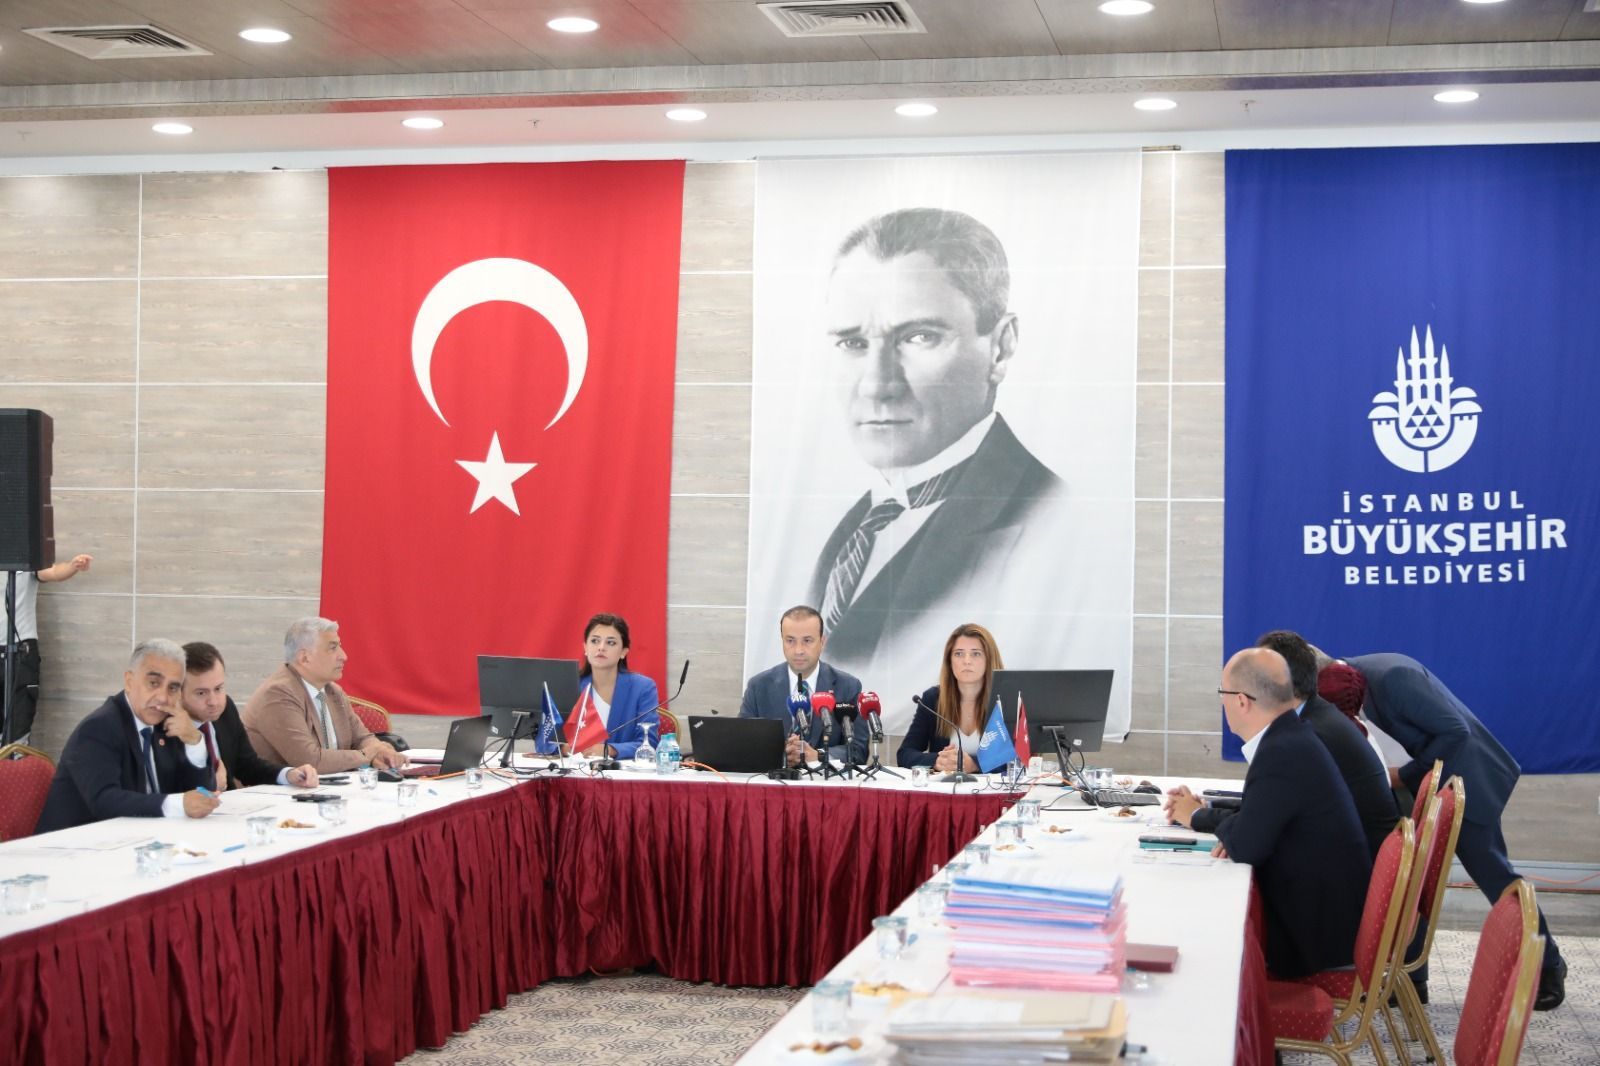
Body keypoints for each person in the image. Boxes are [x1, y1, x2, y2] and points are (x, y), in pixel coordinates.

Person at [802, 208, 1086, 703]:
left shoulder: (1057, 528)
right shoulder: (857, 526)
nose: (876, 385)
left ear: (1000, 348)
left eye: (919, 337)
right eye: (852, 342)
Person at [1317, 652, 1568, 1011]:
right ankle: (1412, 979)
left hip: (1467, 781)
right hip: (1428, 784)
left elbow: (1455, 731)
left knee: (1496, 878)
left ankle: (1548, 965)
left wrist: (1402, 776)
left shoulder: (1392, 677)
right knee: (1415, 880)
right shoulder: (1352, 680)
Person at [1166, 647, 1370, 979]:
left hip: (1315, 940)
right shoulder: (1292, 736)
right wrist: (1207, 814)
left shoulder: (1282, 751)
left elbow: (1247, 845)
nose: (1222, 703)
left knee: (1204, 946)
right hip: (1330, 919)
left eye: (1222, 693)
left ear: (1241, 701)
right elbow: (1261, 815)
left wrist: (1205, 819)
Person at [34, 638, 220, 833]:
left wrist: (194, 741)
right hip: (74, 843)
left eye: (173, 688)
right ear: (129, 682)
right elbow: (105, 801)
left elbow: (201, 797)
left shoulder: (169, 724)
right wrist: (177, 804)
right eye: (153, 683)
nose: (163, 697)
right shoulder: (98, 728)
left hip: (141, 838)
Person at [1249, 630, 1398, 858]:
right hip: (1359, 852)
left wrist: (1199, 816)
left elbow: (1266, 822)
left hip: (1353, 865)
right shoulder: (1323, 717)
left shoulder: (1311, 732)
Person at [242, 617, 404, 774]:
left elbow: (362, 738)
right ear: (304, 658)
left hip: (328, 786)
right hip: (275, 790)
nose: (344, 656)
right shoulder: (278, 694)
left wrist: (380, 752)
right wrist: (367, 755)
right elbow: (310, 761)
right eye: (333, 648)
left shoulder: (333, 691)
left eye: (339, 646)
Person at [180, 641, 318, 791]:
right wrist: (210, 784)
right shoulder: (167, 728)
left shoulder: (225, 709)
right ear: (178, 693)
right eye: (201, 693)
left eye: (218, 689)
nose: (213, 701)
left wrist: (289, 774)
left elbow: (247, 765)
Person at [738, 605, 866, 766]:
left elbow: (858, 750)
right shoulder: (759, 686)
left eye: (807, 641)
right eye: (790, 641)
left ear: (822, 642)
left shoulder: (847, 686)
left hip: (825, 780)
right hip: (774, 779)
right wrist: (782, 756)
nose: (798, 650)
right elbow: (743, 744)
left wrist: (819, 755)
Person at [3, 553, 92, 745]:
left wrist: (72, 566)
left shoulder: (22, 553)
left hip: (20, 655)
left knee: (16, 737)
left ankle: (14, 763)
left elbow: (52, 572)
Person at [898, 622, 1004, 772]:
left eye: (976, 654)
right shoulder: (933, 699)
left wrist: (975, 764)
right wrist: (937, 760)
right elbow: (905, 754)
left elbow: (1020, 758)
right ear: (949, 661)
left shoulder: (1004, 700)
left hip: (994, 787)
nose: (966, 661)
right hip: (946, 786)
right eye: (959, 654)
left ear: (989, 659)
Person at [572, 613, 658, 760]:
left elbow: (649, 743)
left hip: (621, 770)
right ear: (585, 647)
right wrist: (564, 747)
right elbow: (545, 739)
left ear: (624, 652)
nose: (601, 648)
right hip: (574, 769)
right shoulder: (571, 685)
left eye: (610, 643)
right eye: (595, 641)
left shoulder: (643, 688)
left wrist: (610, 750)